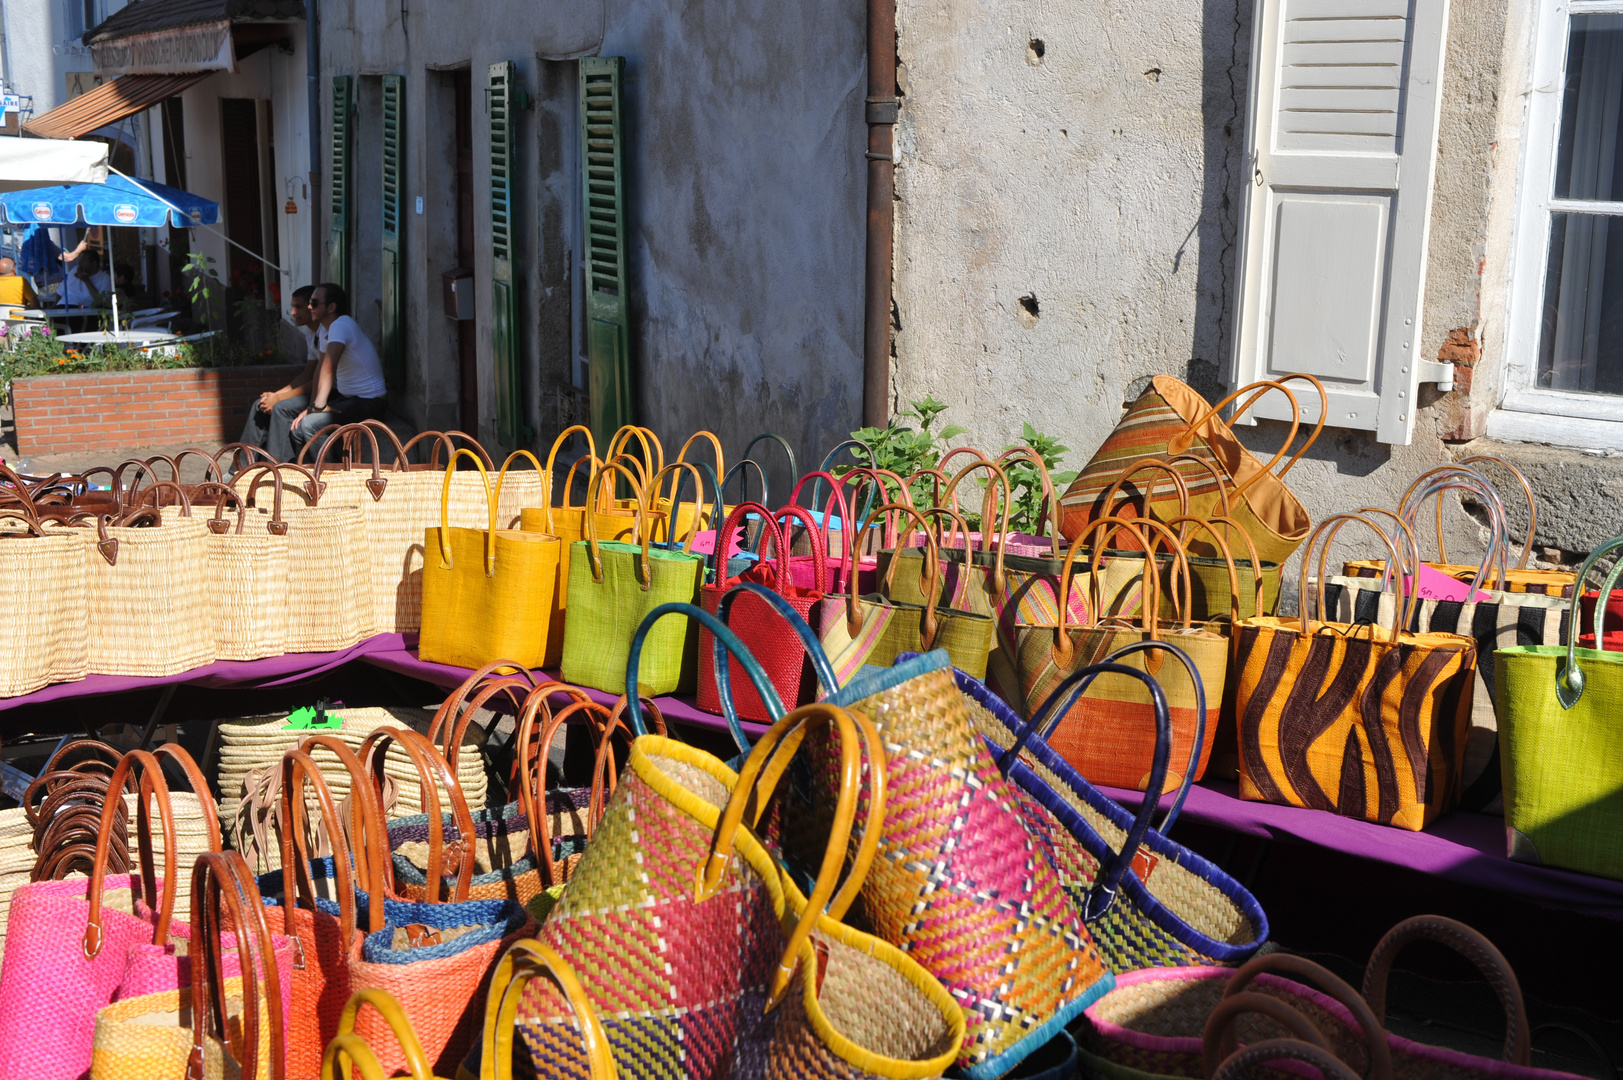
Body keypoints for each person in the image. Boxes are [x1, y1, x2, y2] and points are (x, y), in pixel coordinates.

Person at [286, 282, 388, 459]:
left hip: (370, 402)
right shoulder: (327, 330)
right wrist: (311, 407)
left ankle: (328, 476)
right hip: (350, 399)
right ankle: (305, 473)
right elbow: (320, 369)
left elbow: (329, 367)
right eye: (310, 302)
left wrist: (318, 408)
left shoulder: (341, 325)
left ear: (331, 307)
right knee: (298, 428)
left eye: (315, 303)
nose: (310, 306)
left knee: (309, 425)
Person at [236, 285, 325, 462]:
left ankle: (278, 470)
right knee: (259, 404)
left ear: (311, 306)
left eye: (298, 306)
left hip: (331, 393)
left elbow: (320, 379)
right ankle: (240, 469)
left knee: (281, 408)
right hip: (316, 388)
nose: (292, 312)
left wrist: (279, 400)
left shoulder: (326, 333)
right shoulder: (310, 334)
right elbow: (308, 373)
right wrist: (276, 395)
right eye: (292, 306)